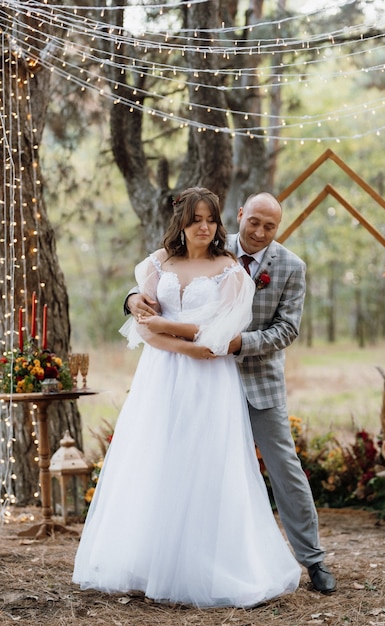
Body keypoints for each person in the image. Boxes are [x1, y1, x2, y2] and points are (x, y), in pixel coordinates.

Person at [73, 187, 301, 608]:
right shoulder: (160, 264)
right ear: (183, 222)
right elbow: (142, 325)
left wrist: (170, 327)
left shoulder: (231, 269)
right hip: (161, 374)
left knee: (207, 461)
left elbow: (220, 334)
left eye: (209, 220)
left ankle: (210, 563)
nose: (203, 226)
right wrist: (174, 339)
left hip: (210, 381)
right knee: (157, 457)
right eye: (196, 218)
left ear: (219, 223)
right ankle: (151, 560)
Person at [126, 191, 337, 595]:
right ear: (240, 215)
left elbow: (286, 330)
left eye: (269, 226)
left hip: (256, 379)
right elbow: (163, 287)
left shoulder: (291, 266)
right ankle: (192, 559)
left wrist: (233, 344)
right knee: (193, 465)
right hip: (195, 378)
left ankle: (314, 560)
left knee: (283, 467)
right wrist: (132, 298)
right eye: (253, 221)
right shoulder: (209, 244)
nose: (259, 231)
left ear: (279, 227)